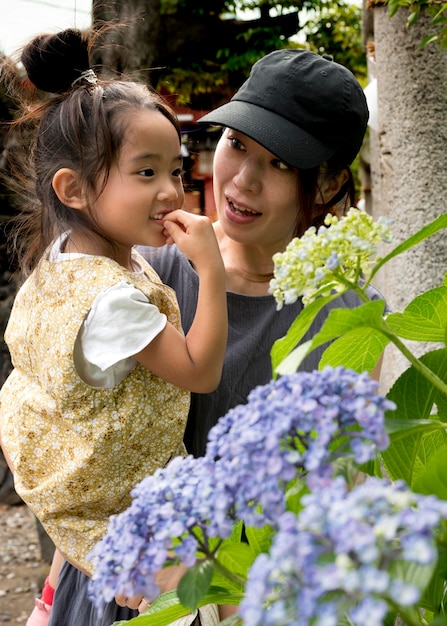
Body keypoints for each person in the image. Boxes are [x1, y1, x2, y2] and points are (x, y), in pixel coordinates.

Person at [37, 49, 385, 625]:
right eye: (237, 144)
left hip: (237, 599)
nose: (243, 179)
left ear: (327, 181)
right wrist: (47, 600)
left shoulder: (351, 320)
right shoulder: (145, 275)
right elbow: (86, 450)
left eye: (280, 165)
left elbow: (326, 506)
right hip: (115, 587)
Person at [0, 28, 227, 626]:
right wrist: (211, 270)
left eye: (174, 171)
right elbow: (200, 372)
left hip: (81, 499)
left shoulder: (63, 264)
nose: (171, 191)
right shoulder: (111, 303)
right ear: (72, 189)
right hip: (121, 513)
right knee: (206, 594)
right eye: (144, 173)